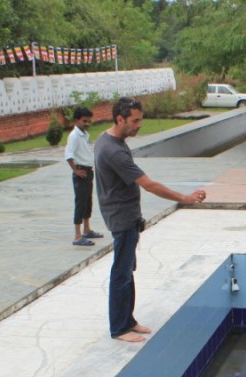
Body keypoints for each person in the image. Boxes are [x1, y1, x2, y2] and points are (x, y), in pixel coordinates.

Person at [94, 97, 207, 343]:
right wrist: (184, 198)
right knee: (121, 273)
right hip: (121, 218)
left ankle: (129, 320)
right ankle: (119, 328)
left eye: (140, 120)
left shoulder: (111, 140)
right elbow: (149, 185)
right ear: (119, 119)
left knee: (127, 271)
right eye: (135, 121)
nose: (139, 125)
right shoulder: (113, 151)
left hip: (127, 216)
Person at [65, 107, 103, 246]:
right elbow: (69, 155)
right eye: (84, 121)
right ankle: (77, 235)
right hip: (81, 172)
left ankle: (87, 229)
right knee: (80, 203)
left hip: (88, 172)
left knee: (88, 202)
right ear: (76, 120)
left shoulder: (84, 134)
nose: (87, 124)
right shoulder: (74, 136)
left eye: (89, 121)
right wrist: (75, 170)